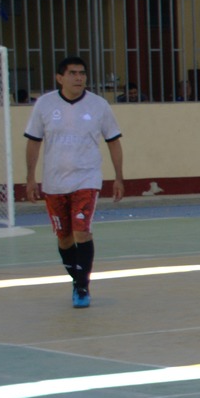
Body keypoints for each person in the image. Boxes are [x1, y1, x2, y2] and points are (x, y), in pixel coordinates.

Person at [23, 55, 124, 308]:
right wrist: (30, 178)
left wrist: (119, 177)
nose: (79, 78)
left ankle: (81, 286)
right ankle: (76, 279)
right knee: (65, 238)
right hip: (54, 182)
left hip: (87, 178)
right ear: (60, 78)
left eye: (82, 73)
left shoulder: (99, 105)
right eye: (72, 73)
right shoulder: (45, 104)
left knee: (82, 231)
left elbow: (113, 142)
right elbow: (33, 142)